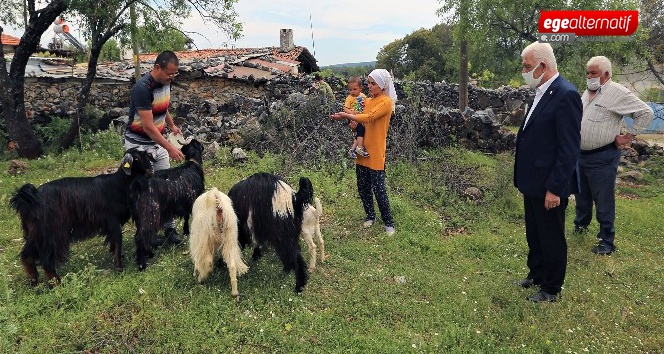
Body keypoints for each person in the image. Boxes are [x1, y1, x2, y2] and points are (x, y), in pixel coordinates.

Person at [513, 42, 582, 303]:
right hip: (532, 180)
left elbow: (568, 148)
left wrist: (555, 187)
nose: (524, 70)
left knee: (551, 236)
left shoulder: (565, 94)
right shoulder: (541, 92)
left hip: (549, 183)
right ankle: (537, 273)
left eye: (528, 66)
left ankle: (552, 287)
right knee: (535, 231)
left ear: (543, 66)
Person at [574, 56, 654, 255]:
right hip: (581, 155)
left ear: (607, 74)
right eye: (588, 73)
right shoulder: (587, 92)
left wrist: (628, 136)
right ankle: (580, 227)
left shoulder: (617, 92)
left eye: (594, 73)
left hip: (603, 156)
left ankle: (606, 241)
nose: (589, 77)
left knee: (603, 199)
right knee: (581, 194)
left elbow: (645, 112)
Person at [123, 50, 185, 246]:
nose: (172, 78)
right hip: (139, 147)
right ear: (157, 68)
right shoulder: (142, 88)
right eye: (170, 74)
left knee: (166, 186)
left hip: (157, 144)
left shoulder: (165, 83)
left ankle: (169, 228)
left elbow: (163, 107)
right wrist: (170, 148)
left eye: (175, 74)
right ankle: (146, 234)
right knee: (144, 190)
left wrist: (172, 125)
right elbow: (148, 127)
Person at [329, 69, 396, 236]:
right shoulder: (368, 100)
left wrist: (347, 116)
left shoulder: (385, 102)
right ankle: (370, 215)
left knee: (379, 189)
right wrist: (351, 120)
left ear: (382, 85)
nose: (370, 86)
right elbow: (360, 116)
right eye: (369, 83)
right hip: (362, 149)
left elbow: (369, 117)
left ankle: (388, 222)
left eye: (373, 84)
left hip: (375, 150)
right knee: (363, 187)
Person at [343, 76, 369, 159]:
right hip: (352, 118)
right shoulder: (349, 98)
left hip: (360, 118)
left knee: (359, 133)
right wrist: (353, 114)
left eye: (354, 89)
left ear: (360, 88)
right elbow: (345, 109)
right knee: (361, 129)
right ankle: (360, 147)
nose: (352, 91)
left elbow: (366, 106)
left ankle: (352, 149)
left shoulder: (364, 97)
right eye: (350, 90)